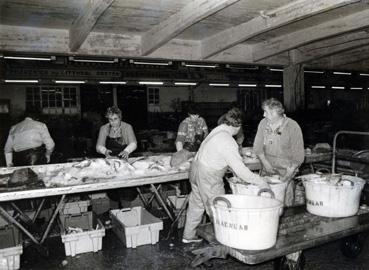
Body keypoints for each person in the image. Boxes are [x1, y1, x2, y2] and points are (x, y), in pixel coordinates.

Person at [182, 108, 269, 243]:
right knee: (218, 207)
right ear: (238, 126)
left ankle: (188, 235)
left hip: (195, 170)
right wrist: (260, 181)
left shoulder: (217, 131)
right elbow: (241, 171)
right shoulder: (227, 141)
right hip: (208, 175)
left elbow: (219, 155)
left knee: (197, 204)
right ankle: (223, 241)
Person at [253, 98, 304, 207]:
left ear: (275, 113)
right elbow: (257, 147)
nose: (263, 115)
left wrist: (286, 177)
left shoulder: (292, 126)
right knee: (266, 203)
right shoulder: (263, 124)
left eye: (266, 112)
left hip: (286, 172)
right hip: (267, 171)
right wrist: (265, 163)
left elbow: (298, 156)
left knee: (285, 204)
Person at [96, 106, 138, 206]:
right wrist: (105, 151)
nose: (113, 122)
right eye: (110, 119)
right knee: (113, 194)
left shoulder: (127, 127)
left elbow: (134, 143)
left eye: (115, 119)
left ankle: (127, 215)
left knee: (127, 193)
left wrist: (127, 151)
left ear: (120, 118)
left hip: (125, 163)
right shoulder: (104, 128)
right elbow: (98, 146)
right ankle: (114, 216)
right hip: (111, 164)